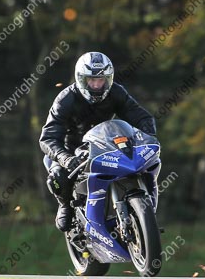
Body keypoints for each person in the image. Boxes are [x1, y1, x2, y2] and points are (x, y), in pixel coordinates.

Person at [39, 51, 156, 231]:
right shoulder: (65, 100)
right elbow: (48, 138)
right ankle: (65, 205)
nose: (96, 85)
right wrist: (64, 158)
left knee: (146, 162)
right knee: (58, 177)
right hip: (72, 150)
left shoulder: (116, 92)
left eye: (101, 80)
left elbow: (141, 117)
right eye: (91, 80)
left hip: (106, 145)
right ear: (81, 79)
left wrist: (148, 134)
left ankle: (144, 202)